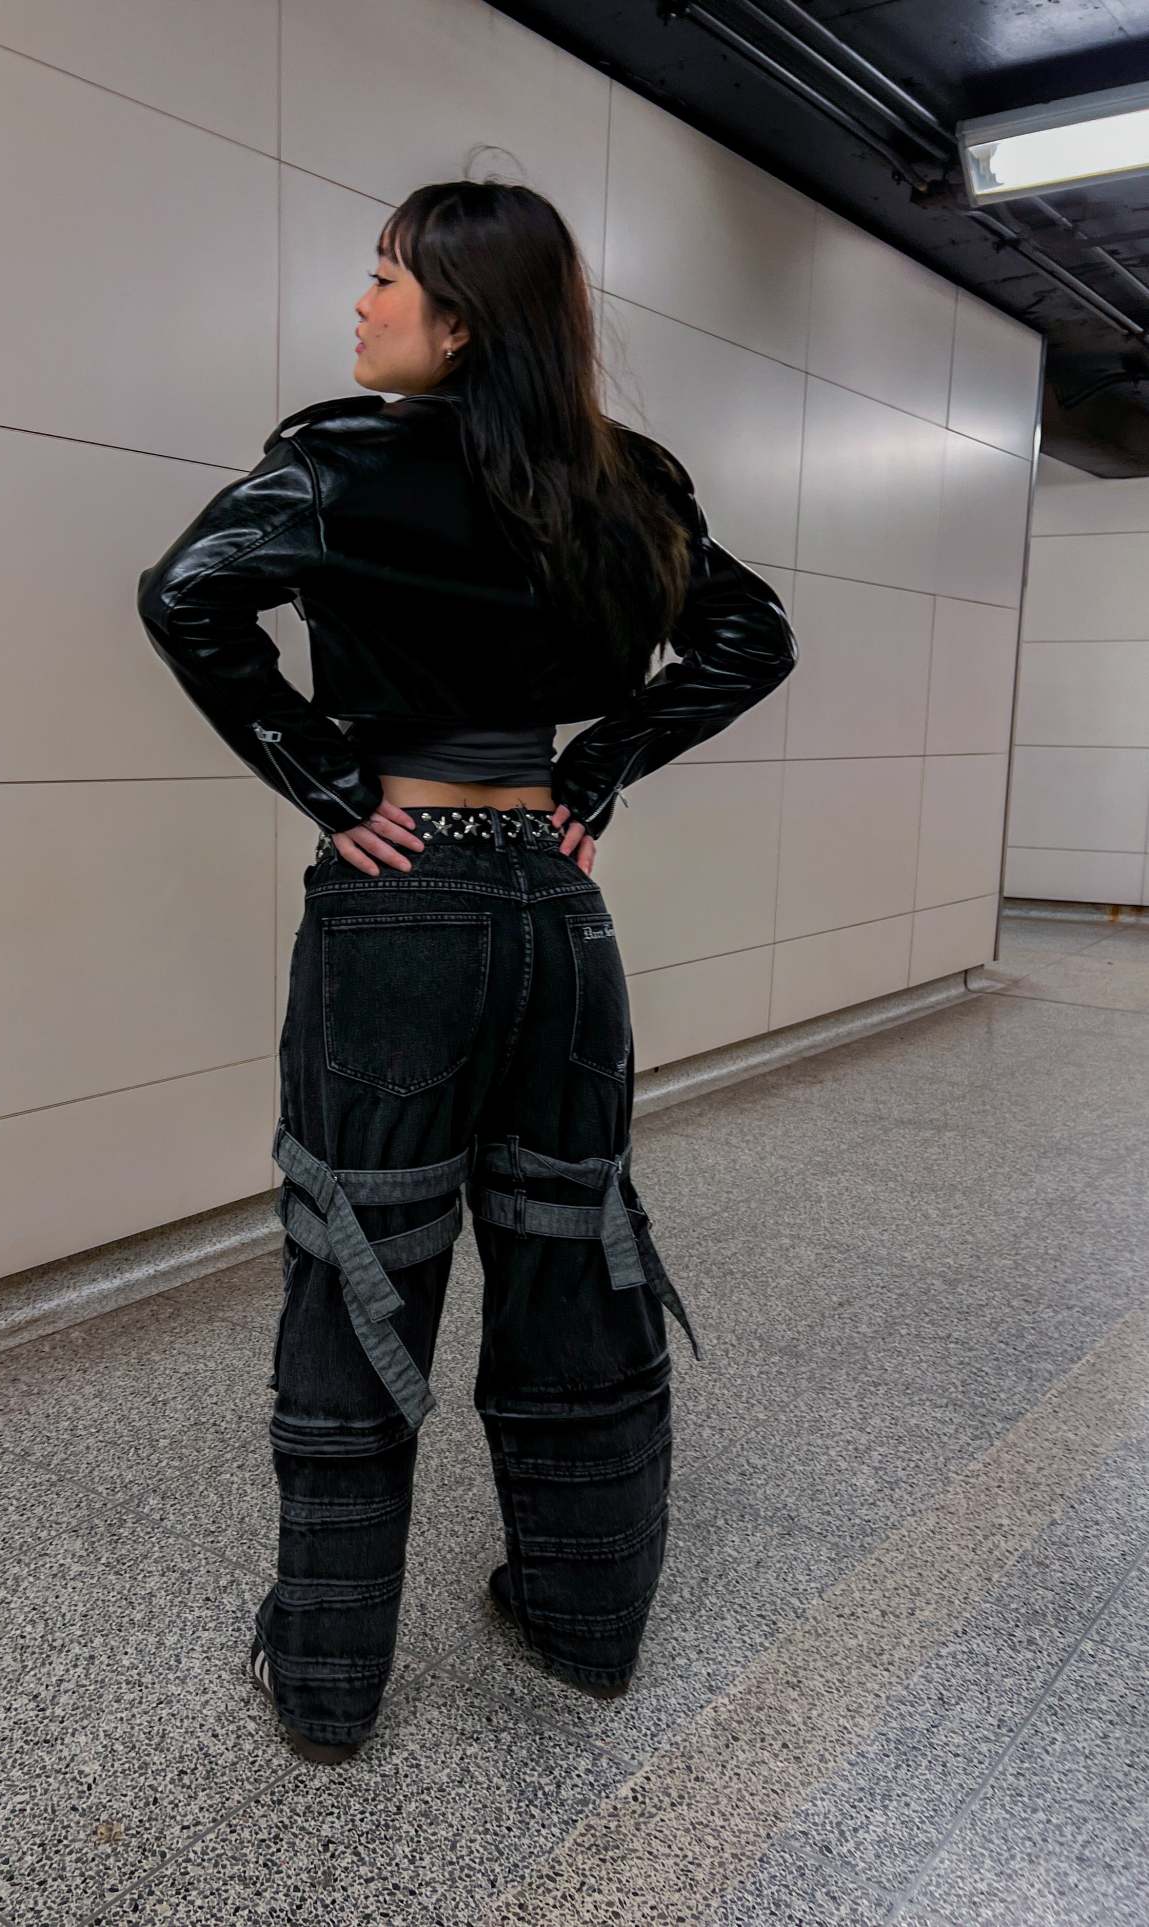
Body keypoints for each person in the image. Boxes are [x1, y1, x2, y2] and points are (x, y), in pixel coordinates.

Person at [136, 179, 798, 1766]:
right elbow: (749, 638)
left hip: (400, 906)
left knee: (361, 1257)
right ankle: (584, 1625)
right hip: (559, 915)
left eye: (385, 280)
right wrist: (595, 771)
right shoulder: (625, 480)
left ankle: (326, 1683)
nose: (359, 306)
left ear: (458, 320)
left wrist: (328, 782)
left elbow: (185, 595)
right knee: (573, 1254)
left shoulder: (337, 457)